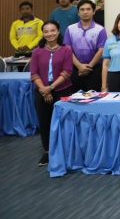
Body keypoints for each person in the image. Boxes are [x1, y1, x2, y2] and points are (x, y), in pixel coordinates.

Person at [30, 20, 74, 166]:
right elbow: (34, 73)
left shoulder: (66, 50)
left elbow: (67, 72)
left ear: (58, 31)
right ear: (43, 34)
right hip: (41, 91)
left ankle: (65, 151)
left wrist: (51, 87)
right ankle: (48, 152)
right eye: (46, 31)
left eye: (52, 30)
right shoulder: (37, 52)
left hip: (62, 90)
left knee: (63, 121)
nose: (50, 34)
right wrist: (44, 89)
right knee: (45, 121)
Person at [64, 0, 107, 92]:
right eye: (82, 9)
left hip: (95, 69)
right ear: (78, 12)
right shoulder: (70, 29)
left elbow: (101, 50)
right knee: (74, 98)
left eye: (88, 9)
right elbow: (67, 50)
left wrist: (89, 67)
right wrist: (79, 66)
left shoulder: (100, 30)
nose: (85, 12)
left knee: (94, 98)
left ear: (94, 12)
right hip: (75, 69)